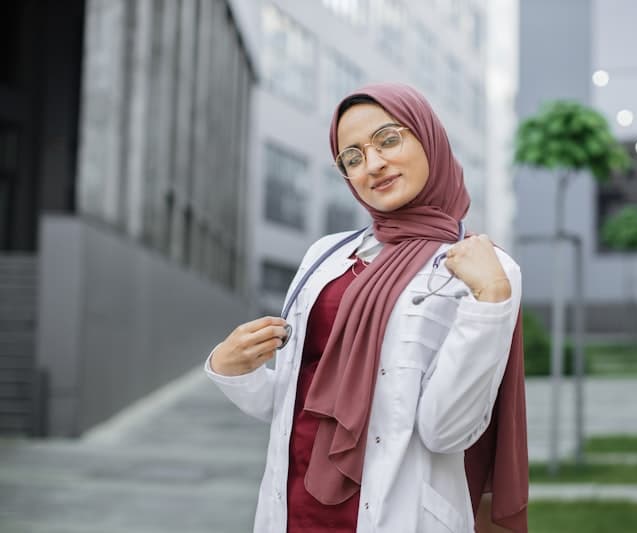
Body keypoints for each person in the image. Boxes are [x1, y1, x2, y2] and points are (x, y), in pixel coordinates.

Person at [205, 83, 528, 533]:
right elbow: (298, 402)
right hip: (293, 509)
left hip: (397, 513)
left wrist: (490, 300)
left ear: (427, 137)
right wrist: (231, 369)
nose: (372, 165)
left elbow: (445, 431)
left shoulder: (481, 268)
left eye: (389, 139)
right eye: (352, 158)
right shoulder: (325, 256)